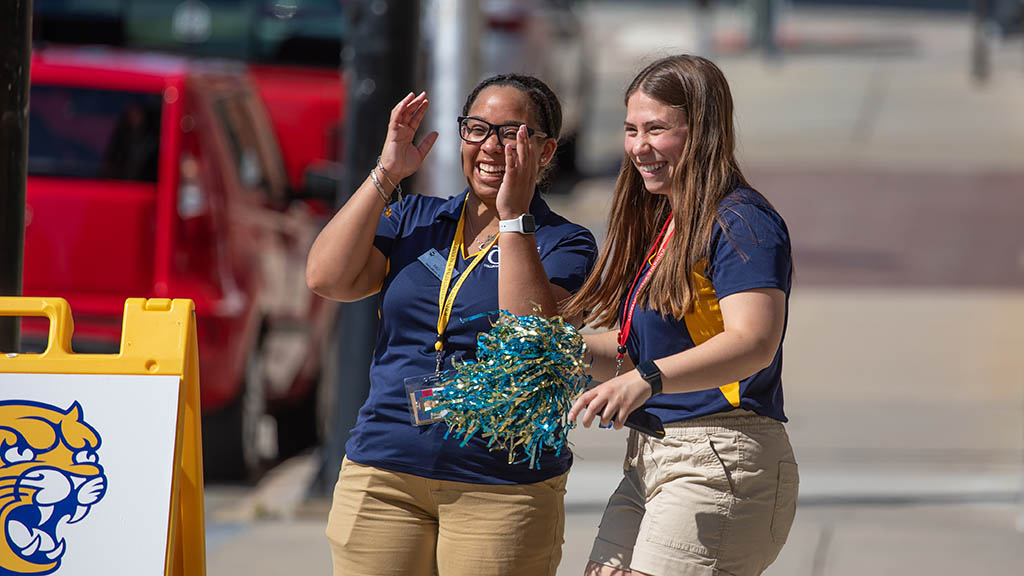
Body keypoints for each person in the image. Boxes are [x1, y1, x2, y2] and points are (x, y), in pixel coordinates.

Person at [306, 74, 597, 576]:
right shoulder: (415, 218)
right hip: (385, 472)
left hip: (500, 485)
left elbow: (530, 333)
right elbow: (326, 278)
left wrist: (512, 219)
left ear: (545, 151)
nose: (490, 146)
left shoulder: (565, 243)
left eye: (511, 133)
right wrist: (386, 173)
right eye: (477, 129)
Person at [562, 55, 798, 576]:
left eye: (656, 129)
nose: (638, 147)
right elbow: (634, 355)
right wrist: (558, 353)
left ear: (704, 130)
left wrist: (648, 380)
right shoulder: (666, 221)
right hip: (651, 455)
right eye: (630, 130)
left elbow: (754, 341)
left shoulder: (741, 221)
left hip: (720, 455)